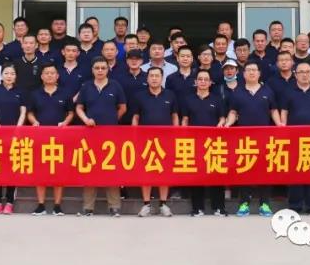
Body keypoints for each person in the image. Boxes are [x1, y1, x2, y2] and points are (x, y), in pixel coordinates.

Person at [225, 62, 283, 217]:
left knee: (265, 171)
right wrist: (228, 124)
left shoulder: (268, 91)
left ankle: (265, 204)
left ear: (259, 73)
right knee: (245, 170)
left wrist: (279, 124)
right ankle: (244, 203)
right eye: (248, 70)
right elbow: (233, 112)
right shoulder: (237, 92)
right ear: (243, 74)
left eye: (254, 70)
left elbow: (273, 110)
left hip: (264, 139)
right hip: (244, 140)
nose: (251, 73)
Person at [75, 58, 126, 216]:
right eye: (97, 68)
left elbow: (123, 107)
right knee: (90, 168)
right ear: (92, 70)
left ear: (107, 69)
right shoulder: (86, 86)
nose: (100, 70)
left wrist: (112, 120)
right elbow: (79, 107)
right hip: (90, 134)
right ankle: (88, 207)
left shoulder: (115, 86)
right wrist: (86, 120)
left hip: (111, 134)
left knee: (111, 168)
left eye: (103, 68)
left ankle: (114, 206)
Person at [280, 62, 310, 216]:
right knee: (295, 172)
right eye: (301, 72)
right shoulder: (288, 92)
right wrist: (283, 127)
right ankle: (295, 206)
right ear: (295, 74)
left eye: (308, 72)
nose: (305, 75)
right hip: (293, 138)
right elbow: (284, 112)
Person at [131, 66, 178, 217]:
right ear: (147, 78)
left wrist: (176, 134)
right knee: (146, 172)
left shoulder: (170, 95)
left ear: (162, 78)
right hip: (145, 141)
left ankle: (163, 204)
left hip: (166, 140)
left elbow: (174, 116)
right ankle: (146, 204)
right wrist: (134, 136)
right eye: (151, 76)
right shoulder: (139, 96)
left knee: (164, 172)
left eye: (157, 76)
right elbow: (136, 117)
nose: (154, 78)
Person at [27, 64, 73, 215]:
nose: (49, 75)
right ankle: (41, 205)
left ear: (57, 76)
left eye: (52, 73)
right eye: (46, 73)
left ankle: (57, 205)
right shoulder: (35, 94)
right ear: (41, 76)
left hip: (59, 138)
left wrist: (65, 123)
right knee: (40, 170)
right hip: (40, 137)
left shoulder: (65, 93)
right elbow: (30, 113)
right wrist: (34, 122)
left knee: (58, 170)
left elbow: (71, 113)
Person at [182, 69, 226, 216]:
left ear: (210, 82)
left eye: (206, 79)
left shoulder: (217, 99)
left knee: (216, 174)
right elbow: (185, 119)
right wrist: (183, 133)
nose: (202, 82)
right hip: (194, 142)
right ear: (195, 82)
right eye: (200, 79)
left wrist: (221, 124)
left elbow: (222, 118)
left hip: (213, 143)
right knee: (197, 175)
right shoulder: (188, 99)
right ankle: (197, 208)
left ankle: (219, 207)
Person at [0, 65, 26, 214]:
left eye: (12, 73)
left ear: (16, 76)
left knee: (12, 167)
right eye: (6, 73)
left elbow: (23, 112)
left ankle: (9, 202)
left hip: (15, 134)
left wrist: (18, 128)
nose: (9, 76)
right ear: (1, 75)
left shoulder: (20, 91)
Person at [117, 49, 148, 124]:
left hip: (144, 117)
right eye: (131, 59)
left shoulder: (148, 77)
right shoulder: (119, 78)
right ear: (127, 61)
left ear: (141, 61)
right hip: (124, 118)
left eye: (137, 59)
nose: (134, 61)